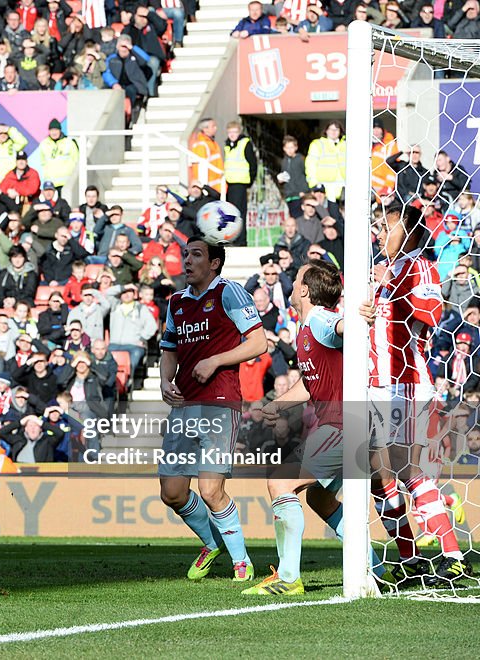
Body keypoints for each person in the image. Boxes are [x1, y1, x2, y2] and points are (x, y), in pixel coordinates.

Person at [245, 261, 375, 595]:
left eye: (297, 277)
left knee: (280, 482)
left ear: (304, 289)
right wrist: (276, 405)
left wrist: (358, 318)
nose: (291, 282)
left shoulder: (319, 318)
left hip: (344, 424)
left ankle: (288, 579)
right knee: (320, 497)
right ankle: (375, 567)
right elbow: (310, 383)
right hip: (348, 423)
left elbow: (341, 325)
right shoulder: (307, 327)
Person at [360, 205, 471, 586]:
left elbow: (429, 316)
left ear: (408, 233)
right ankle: (410, 559)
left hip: (405, 383)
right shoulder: (382, 275)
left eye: (387, 227)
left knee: (409, 472)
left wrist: (384, 300)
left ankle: (453, 556)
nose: (379, 233)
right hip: (377, 386)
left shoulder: (417, 266)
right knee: (377, 477)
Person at [159, 235, 267, 584]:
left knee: (210, 490)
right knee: (172, 492)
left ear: (215, 263)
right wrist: (165, 381)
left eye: (196, 255)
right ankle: (211, 543)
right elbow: (169, 350)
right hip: (184, 404)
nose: (187, 261)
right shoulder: (176, 302)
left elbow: (259, 342)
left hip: (220, 403)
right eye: (185, 254)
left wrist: (215, 360)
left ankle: (242, 561)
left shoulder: (229, 293)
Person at [222, 120, 256, 245]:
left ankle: (240, 240)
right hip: (230, 183)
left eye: (234, 132)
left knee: (239, 213)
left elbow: (253, 163)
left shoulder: (244, 143)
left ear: (239, 132)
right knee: (231, 213)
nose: (232, 134)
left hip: (240, 183)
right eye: (230, 132)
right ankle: (233, 238)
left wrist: (249, 181)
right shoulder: (228, 145)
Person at [189, 118, 224, 194]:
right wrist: (202, 187)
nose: (216, 128)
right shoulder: (201, 145)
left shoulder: (212, 143)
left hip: (216, 187)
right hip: (209, 188)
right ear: (205, 129)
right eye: (213, 126)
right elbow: (198, 168)